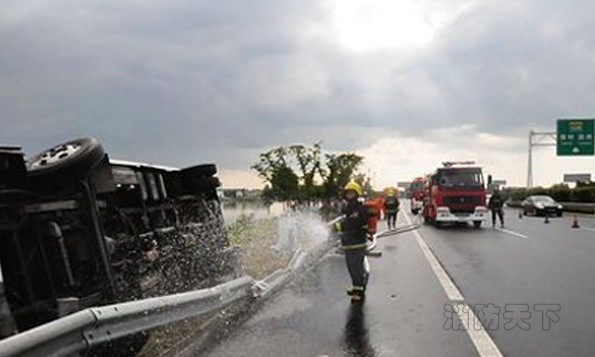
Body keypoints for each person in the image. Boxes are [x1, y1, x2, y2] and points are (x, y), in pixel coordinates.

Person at [340, 181, 372, 303]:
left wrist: (339, 226)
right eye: (347, 193)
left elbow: (353, 223)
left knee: (356, 268)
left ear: (357, 194)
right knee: (351, 267)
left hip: (357, 242)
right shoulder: (347, 208)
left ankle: (359, 291)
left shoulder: (360, 208)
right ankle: (356, 287)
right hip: (348, 242)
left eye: (351, 193)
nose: (349, 195)